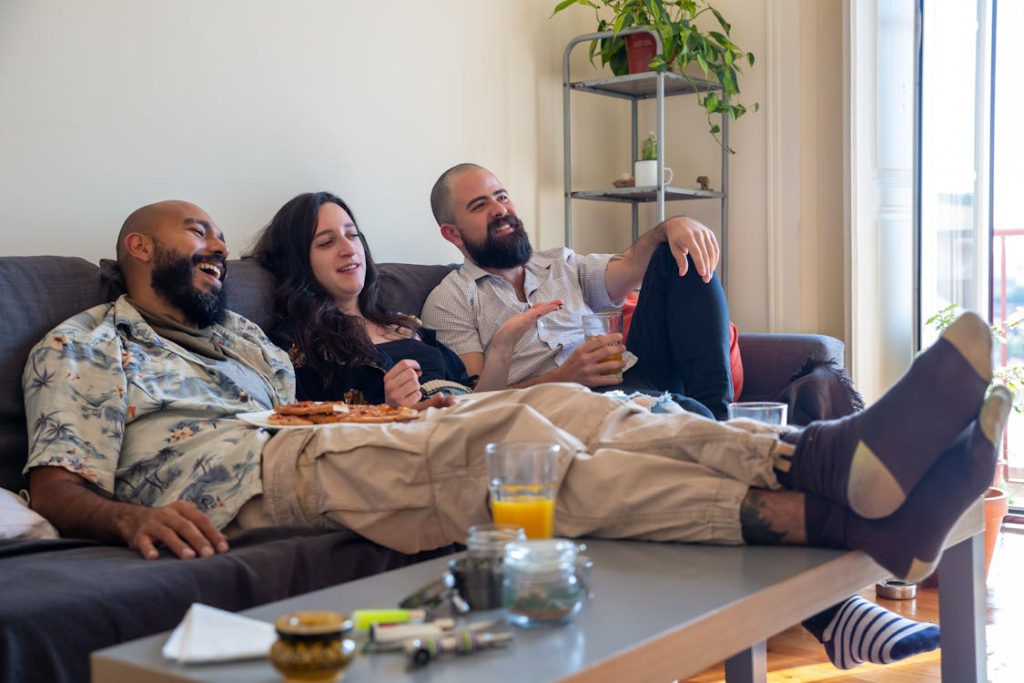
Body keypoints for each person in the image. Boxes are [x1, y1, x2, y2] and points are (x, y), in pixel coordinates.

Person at [24, 201, 1006, 671]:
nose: (213, 252)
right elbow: (57, 480)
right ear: (137, 247)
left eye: (218, 245)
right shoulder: (82, 344)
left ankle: (816, 465)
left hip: (333, 435)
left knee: (568, 411)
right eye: (194, 238)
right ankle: (836, 497)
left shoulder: (240, 335)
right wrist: (125, 517)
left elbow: (323, 403)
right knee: (517, 445)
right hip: (246, 470)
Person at [422, 163, 734, 419]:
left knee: (672, 254)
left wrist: (673, 226)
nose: (499, 210)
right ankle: (707, 423)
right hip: (564, 405)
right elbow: (475, 404)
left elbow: (631, 264)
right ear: (453, 234)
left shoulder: (562, 262)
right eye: (480, 205)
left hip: (631, 373)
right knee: (689, 411)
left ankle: (722, 419)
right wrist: (562, 378)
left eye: (502, 197)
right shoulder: (450, 299)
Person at [247, 192, 560, 407]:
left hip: (471, 426)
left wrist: (504, 346)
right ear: (299, 260)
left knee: (573, 404)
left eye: (352, 234)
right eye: (327, 242)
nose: (348, 248)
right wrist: (389, 408)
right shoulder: (294, 345)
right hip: (414, 448)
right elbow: (307, 432)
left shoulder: (402, 322)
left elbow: (477, 403)